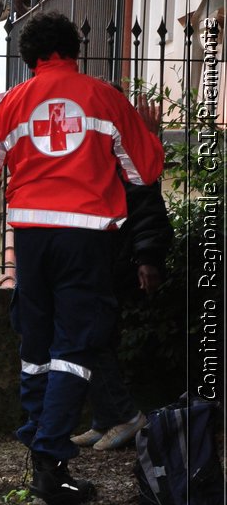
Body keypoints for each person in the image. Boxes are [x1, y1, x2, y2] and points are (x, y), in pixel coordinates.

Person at [0, 11, 164, 505]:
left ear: (28, 57)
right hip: (87, 239)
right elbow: (143, 174)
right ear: (76, 50)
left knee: (35, 345)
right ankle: (49, 465)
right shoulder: (106, 99)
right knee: (75, 348)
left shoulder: (10, 103)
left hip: (31, 239)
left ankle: (37, 443)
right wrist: (146, 131)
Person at [72, 173, 174, 450]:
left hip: (116, 255)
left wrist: (148, 257)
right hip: (105, 253)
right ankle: (106, 418)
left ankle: (125, 416)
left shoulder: (123, 148)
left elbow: (145, 204)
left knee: (92, 336)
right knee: (98, 334)